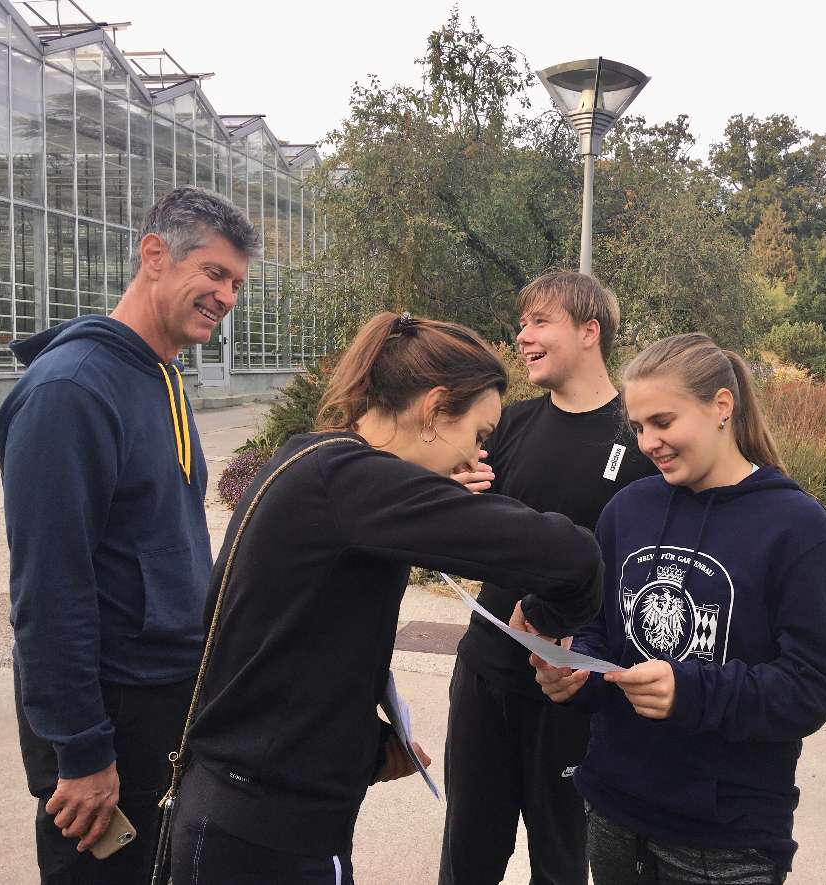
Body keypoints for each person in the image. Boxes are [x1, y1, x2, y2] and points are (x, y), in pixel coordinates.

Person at [167, 310, 604, 885]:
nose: (475, 460)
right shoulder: (355, 483)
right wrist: (546, 618)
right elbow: (574, 557)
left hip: (261, 808)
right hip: (262, 829)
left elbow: (286, 649)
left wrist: (369, 747)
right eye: (476, 436)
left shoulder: (317, 462)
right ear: (433, 408)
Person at [0, 186, 258, 884]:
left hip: (162, 703)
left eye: (235, 282)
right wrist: (80, 750)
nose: (226, 295)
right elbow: (48, 590)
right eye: (213, 273)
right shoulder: (72, 390)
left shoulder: (160, 374)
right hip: (107, 714)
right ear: (154, 256)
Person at [533, 333, 826, 885]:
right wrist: (577, 674)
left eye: (662, 421)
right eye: (637, 428)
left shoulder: (801, 532)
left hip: (725, 839)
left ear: (721, 408)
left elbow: (812, 689)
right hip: (613, 810)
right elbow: (600, 630)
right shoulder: (628, 509)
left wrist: (691, 692)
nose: (649, 443)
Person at [440, 271, 658, 885]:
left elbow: (646, 571)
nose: (522, 335)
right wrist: (454, 502)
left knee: (562, 864)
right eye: (523, 323)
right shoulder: (507, 426)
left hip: (575, 691)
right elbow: (467, 547)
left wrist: (592, 646)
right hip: (486, 673)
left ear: (590, 332)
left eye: (540, 322)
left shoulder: (639, 436)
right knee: (467, 854)